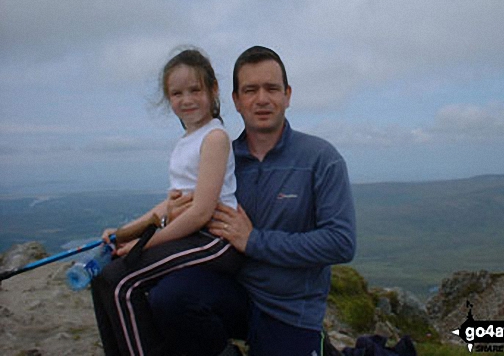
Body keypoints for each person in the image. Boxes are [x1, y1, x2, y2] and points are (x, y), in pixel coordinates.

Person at [149, 46, 357, 356]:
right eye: (250, 90)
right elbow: (192, 207)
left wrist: (254, 241)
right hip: (234, 292)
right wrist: (168, 214)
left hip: (290, 309)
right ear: (235, 99)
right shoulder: (222, 156)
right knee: (167, 298)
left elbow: (341, 243)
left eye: (272, 88)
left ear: (287, 95)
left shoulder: (320, 158)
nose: (261, 99)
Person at [91, 48, 243, 356]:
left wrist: (144, 245)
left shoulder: (215, 138)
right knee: (104, 277)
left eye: (195, 90)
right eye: (177, 93)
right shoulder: (186, 141)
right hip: (191, 236)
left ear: (213, 90)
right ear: (168, 98)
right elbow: (170, 204)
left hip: (214, 241)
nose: (186, 100)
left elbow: (201, 212)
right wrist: (125, 233)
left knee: (121, 282)